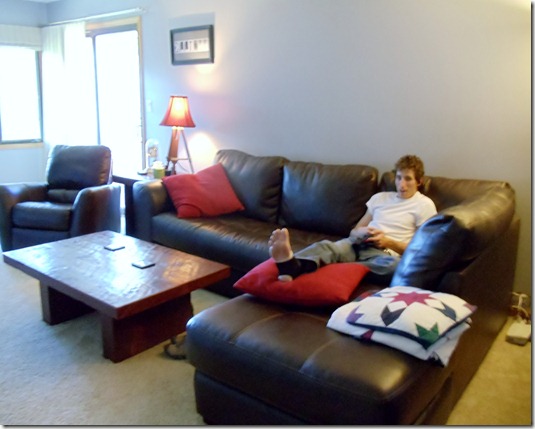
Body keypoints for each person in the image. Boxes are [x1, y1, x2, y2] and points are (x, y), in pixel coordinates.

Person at [269, 154, 437, 281]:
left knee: (395, 267)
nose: (401, 184)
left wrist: (387, 242)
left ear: (419, 181)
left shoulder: (424, 205)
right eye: (399, 177)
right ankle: (290, 265)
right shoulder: (380, 198)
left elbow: (423, 250)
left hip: (384, 255)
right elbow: (354, 231)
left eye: (408, 179)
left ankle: (337, 267)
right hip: (358, 243)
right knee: (328, 246)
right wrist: (360, 233)